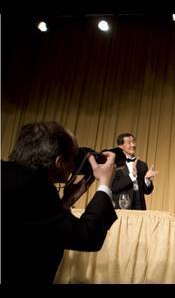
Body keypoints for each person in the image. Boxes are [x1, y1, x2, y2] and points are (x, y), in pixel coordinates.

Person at [1, 121, 117, 284]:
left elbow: (37, 227)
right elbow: (87, 236)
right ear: (59, 162)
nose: (73, 166)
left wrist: (66, 201)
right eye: (73, 158)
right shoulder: (35, 188)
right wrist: (105, 182)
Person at [111, 133, 158, 210]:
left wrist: (147, 180)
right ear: (120, 147)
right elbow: (114, 187)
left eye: (133, 142)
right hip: (122, 204)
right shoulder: (115, 164)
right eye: (129, 142)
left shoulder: (142, 165)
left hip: (140, 204)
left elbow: (147, 191)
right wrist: (132, 176)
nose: (133, 145)